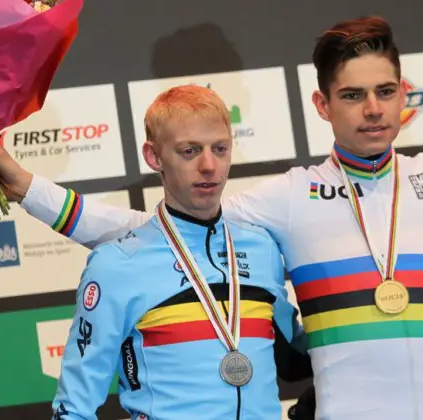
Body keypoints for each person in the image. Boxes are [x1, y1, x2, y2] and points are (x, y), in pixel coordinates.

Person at [0, 17, 423, 420]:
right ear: (321, 104)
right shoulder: (286, 198)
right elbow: (152, 234)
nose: (372, 109)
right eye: (352, 94)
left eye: (385, 91)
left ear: (406, 98)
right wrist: (24, 185)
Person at [49, 85, 311, 420]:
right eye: (189, 151)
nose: (208, 165)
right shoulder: (117, 264)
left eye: (220, 148)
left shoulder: (260, 248)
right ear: (154, 156)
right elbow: (74, 409)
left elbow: (296, 356)